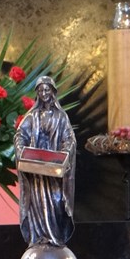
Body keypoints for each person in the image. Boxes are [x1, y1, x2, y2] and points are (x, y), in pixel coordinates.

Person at [14, 76, 76, 247]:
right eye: (40, 90)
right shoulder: (32, 116)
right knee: (37, 203)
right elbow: (20, 135)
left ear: (53, 92)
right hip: (36, 171)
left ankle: (55, 238)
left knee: (56, 202)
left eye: (47, 89)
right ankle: (38, 238)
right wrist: (21, 150)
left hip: (54, 170)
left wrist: (65, 153)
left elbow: (69, 138)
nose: (44, 93)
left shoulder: (61, 116)